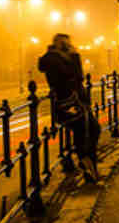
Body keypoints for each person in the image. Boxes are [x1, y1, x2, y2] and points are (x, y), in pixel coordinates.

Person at [38, 33, 100, 183]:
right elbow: (72, 75)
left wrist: (73, 57)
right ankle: (86, 162)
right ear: (57, 43)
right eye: (64, 43)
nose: (68, 46)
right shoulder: (52, 59)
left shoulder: (63, 58)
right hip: (67, 104)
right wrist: (75, 57)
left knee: (92, 129)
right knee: (83, 130)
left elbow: (79, 77)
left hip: (78, 102)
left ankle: (87, 162)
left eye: (68, 43)